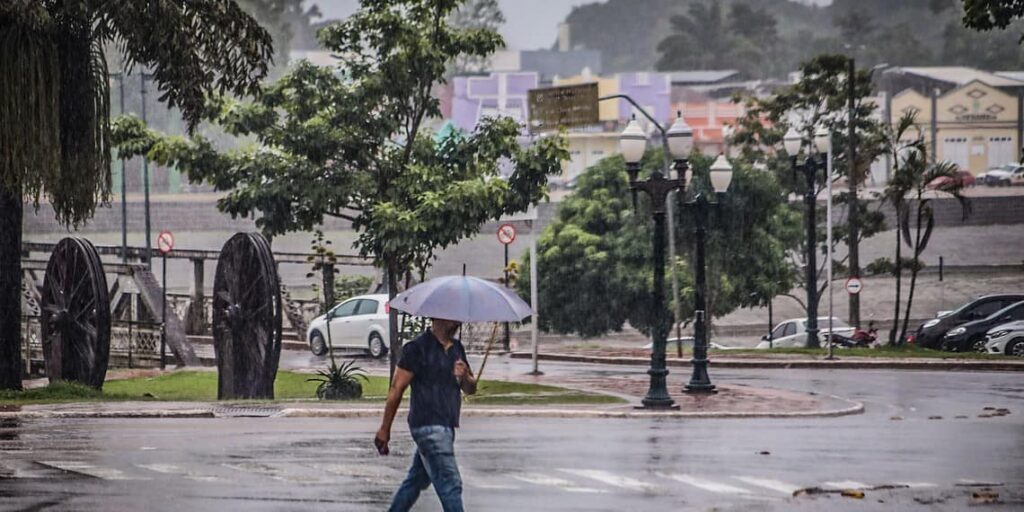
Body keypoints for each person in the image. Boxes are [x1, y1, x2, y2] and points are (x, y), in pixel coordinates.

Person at [375, 318, 477, 512]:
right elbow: (397, 389)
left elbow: (470, 389)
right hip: (427, 425)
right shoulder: (417, 348)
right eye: (451, 318)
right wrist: (385, 428)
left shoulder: (457, 348)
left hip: (447, 426)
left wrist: (465, 376)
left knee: (415, 481)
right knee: (450, 484)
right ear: (436, 318)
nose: (456, 323)